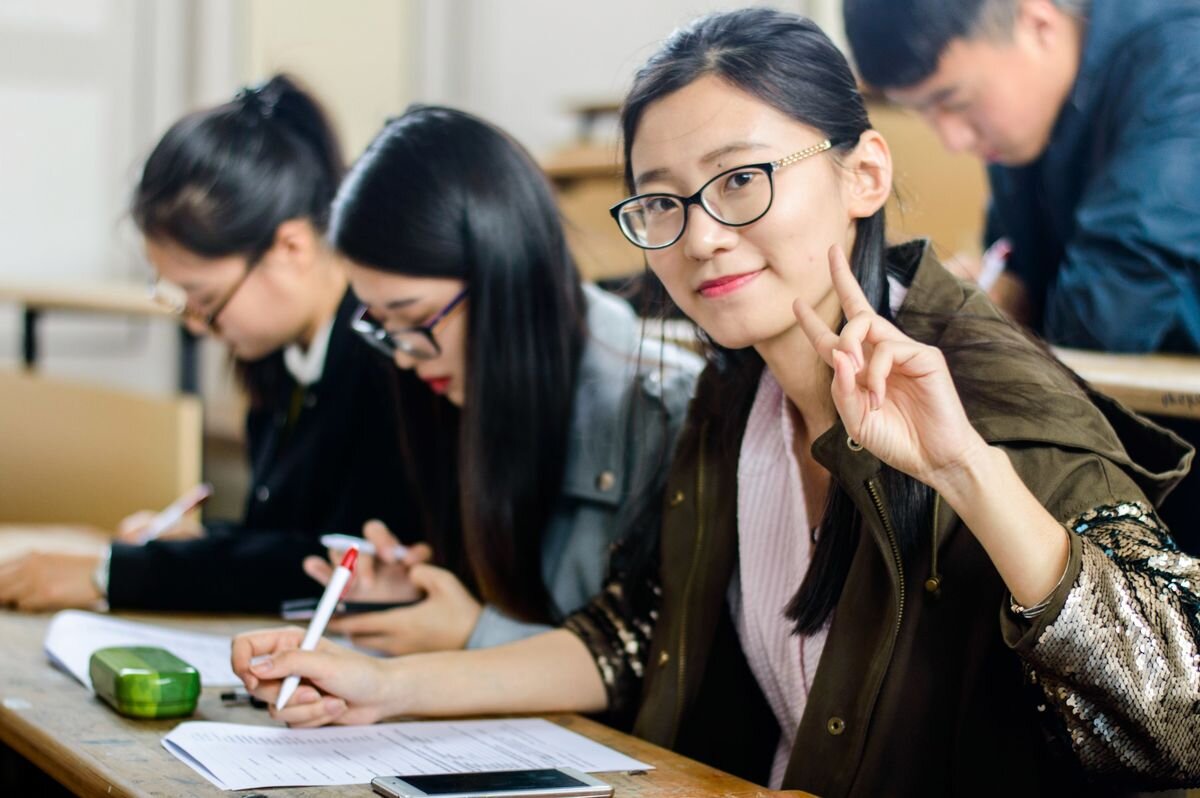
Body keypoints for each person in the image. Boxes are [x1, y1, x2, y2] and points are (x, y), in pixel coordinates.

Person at [231, 11, 1200, 795]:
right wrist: (385, 688)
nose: (699, 239)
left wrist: (967, 473)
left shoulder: (990, 396)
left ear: (863, 176)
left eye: (740, 182)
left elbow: (1176, 718)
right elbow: (640, 631)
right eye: (660, 202)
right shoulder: (735, 389)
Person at [0, 75, 422, 613]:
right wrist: (200, 546)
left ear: (290, 247)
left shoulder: (391, 356)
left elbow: (340, 559)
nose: (198, 325)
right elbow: (285, 535)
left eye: (205, 298)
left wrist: (116, 573)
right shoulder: (281, 359)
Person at [290, 105, 701, 655]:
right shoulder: (456, 391)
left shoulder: (665, 412)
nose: (406, 358)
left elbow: (656, 678)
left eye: (415, 320)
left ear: (505, 279)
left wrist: (472, 636)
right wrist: (414, 599)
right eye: (383, 326)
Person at [842, 0, 1200, 554]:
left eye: (952, 102)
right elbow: (1010, 274)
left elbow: (1105, 314)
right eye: (925, 113)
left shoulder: (1182, 61)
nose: (952, 140)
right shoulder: (1023, 119)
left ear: (1037, 24)